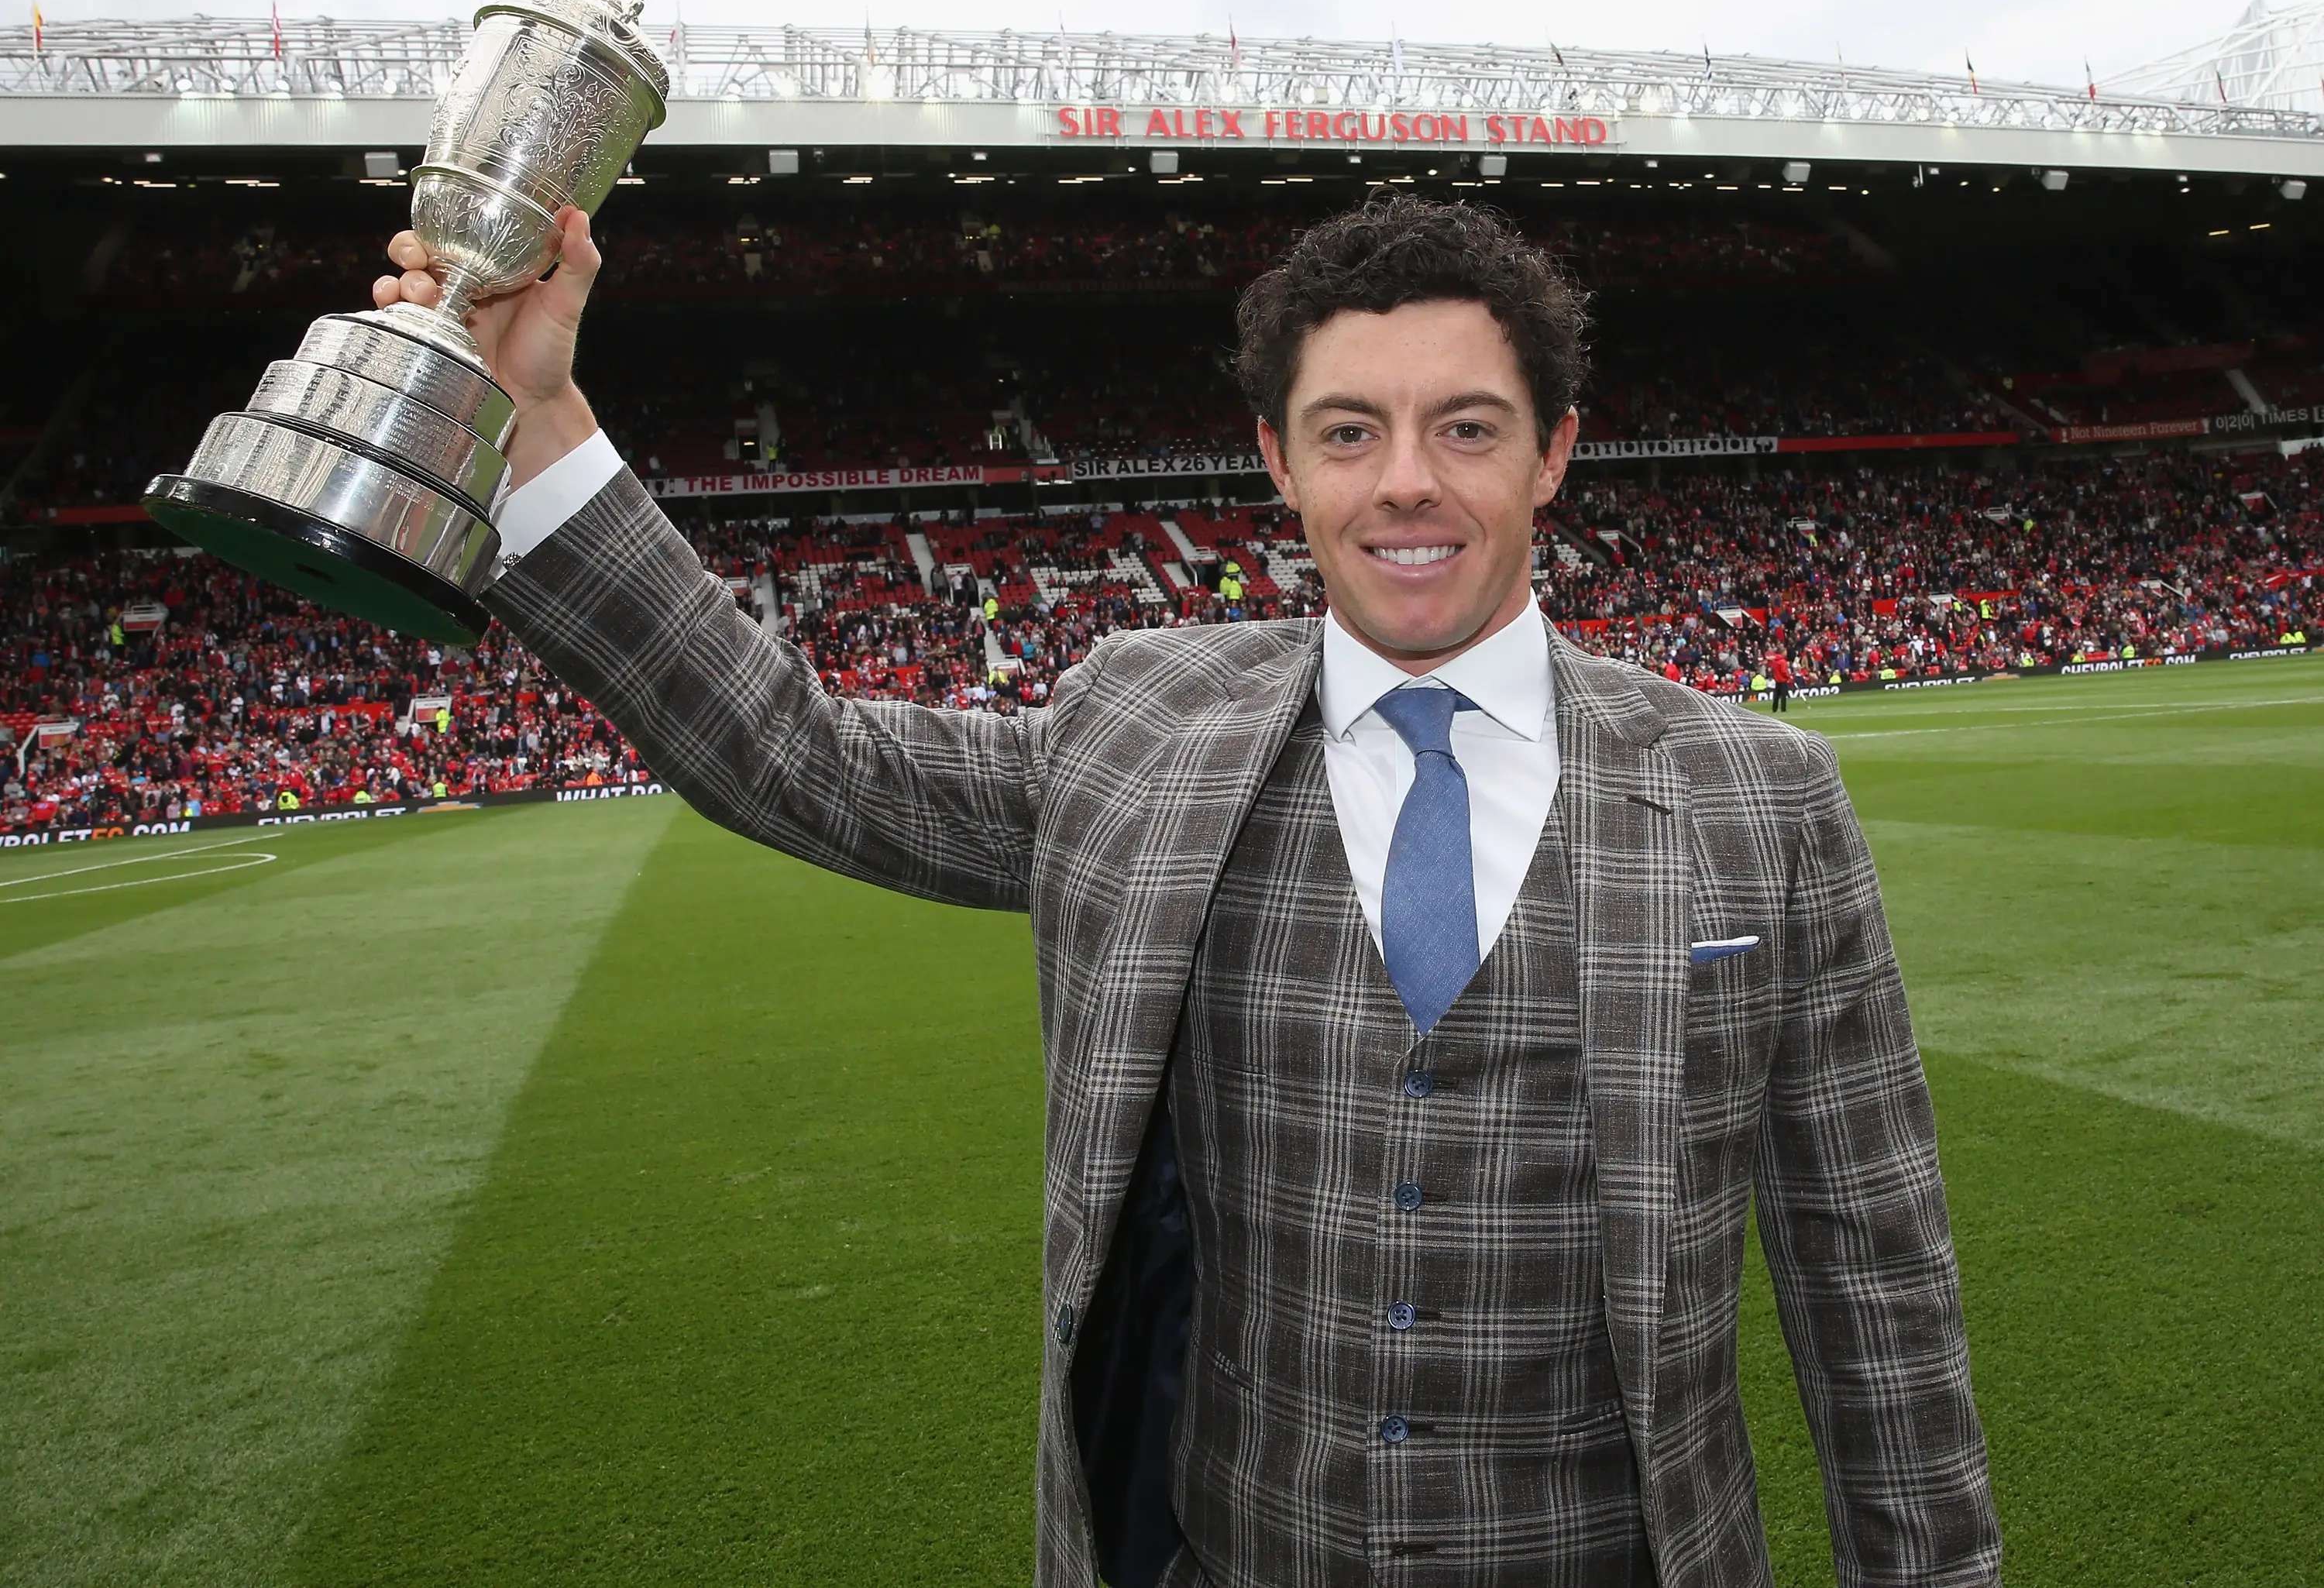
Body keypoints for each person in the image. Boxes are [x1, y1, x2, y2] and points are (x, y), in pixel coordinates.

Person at [374, 194, 1998, 1588]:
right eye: (1349, 431)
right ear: (1278, 462)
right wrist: (539, 425)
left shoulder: (1760, 800)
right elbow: (813, 761)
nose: (1407, 483)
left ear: (1556, 453)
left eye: (1469, 427)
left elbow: (1875, 1280)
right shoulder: (1141, 727)